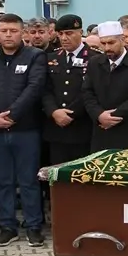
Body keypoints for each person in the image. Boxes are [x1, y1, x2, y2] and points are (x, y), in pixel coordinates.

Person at [0, 14, 47, 247]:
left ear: (23, 33)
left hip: (26, 129)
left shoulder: (35, 56)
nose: (8, 35)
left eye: (13, 30)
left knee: (29, 180)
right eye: (4, 30)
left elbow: (34, 88)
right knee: (1, 180)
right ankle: (7, 225)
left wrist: (12, 115)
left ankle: (33, 225)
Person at [83, 20, 128, 152]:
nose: (107, 48)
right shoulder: (95, 63)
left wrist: (114, 116)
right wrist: (99, 115)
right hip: (101, 131)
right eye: (103, 43)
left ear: (122, 40)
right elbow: (87, 92)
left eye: (111, 42)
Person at [41, 14, 93, 165]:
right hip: (56, 128)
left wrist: (72, 113)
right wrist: (54, 111)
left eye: (69, 33)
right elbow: (45, 89)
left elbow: (90, 91)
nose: (64, 38)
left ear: (80, 32)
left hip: (81, 127)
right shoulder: (52, 58)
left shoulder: (94, 58)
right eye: (60, 34)